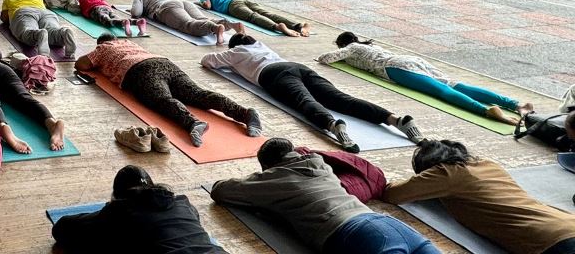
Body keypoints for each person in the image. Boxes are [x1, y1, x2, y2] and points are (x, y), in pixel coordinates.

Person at [211, 138, 439, 254]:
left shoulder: (272, 179)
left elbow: (220, 190)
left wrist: (261, 177)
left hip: (356, 234)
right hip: (389, 224)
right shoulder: (318, 163)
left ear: (268, 166)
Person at [202, 34, 423, 152]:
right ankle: (395, 119)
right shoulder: (261, 45)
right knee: (339, 98)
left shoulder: (234, 52)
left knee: (303, 100)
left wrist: (230, 61)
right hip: (297, 66)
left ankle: (332, 125)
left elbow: (207, 61)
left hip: (273, 75)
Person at [384, 139, 575, 254]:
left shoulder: (446, 172)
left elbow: (393, 193)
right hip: (566, 223)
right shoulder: (487, 164)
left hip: (550, 239)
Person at [76, 35, 261, 146]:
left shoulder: (102, 48)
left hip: (140, 70)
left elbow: (81, 64)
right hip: (165, 63)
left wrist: (98, 59)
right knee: (198, 94)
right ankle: (245, 113)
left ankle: (192, 123)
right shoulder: (129, 43)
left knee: (160, 98)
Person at [318, 32, 533, 125]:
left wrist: (337, 55)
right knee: (455, 83)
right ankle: (515, 104)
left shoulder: (351, 48)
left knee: (441, 91)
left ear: (343, 43)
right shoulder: (369, 45)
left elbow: (326, 59)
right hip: (411, 60)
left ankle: (485, 110)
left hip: (394, 68)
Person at [52, 165, 224, 254]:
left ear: (118, 196)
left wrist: (108, 211)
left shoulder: (120, 211)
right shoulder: (182, 203)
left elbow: (62, 228)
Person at [132, 0, 239, 46]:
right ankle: (230, 24)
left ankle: (215, 28)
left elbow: (136, 13)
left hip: (165, 7)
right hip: (181, 2)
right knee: (204, 19)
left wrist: (136, 5)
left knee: (188, 24)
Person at [196, 0, 310, 37]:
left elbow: (207, 5)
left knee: (252, 16)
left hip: (232, 5)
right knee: (266, 13)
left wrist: (201, 2)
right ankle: (298, 25)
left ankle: (277, 27)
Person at [0, 0, 77, 58]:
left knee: (26, 32)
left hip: (24, 12)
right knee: (53, 32)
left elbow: (4, 18)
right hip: (46, 12)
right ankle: (64, 32)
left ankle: (38, 33)